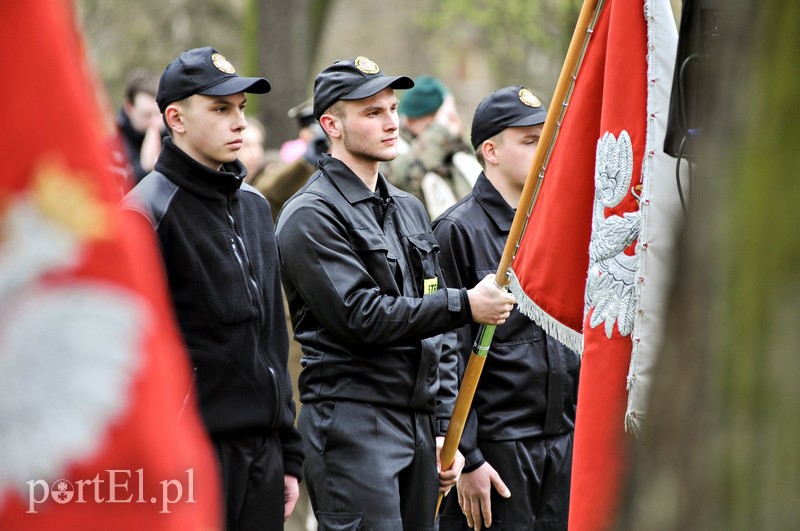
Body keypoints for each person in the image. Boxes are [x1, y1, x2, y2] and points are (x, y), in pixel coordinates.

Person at [275, 56, 517, 531]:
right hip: (353, 425)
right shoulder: (310, 214)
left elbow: (440, 336)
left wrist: (446, 428)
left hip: (417, 422)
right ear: (332, 125)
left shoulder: (406, 207)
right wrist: (465, 304)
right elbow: (361, 316)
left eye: (392, 109)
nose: (392, 122)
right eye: (372, 112)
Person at [121, 46, 303, 530]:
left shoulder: (256, 208)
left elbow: (272, 340)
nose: (239, 121)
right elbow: (134, 359)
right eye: (221, 108)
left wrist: (288, 453)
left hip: (264, 455)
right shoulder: (143, 215)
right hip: (188, 459)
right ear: (176, 118)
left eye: (241, 108)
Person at [433, 86, 580, 531]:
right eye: (529, 140)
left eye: (547, 137)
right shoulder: (456, 230)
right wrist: (470, 456)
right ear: (490, 150)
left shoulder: (557, 224)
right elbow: (447, 352)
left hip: (563, 440)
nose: (545, 148)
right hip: (499, 447)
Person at [381, 75, 480, 220]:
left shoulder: (452, 150)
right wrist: (438, 132)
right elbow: (400, 179)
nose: (448, 125)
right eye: (437, 120)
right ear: (410, 120)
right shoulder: (391, 146)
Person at [116, 68, 165, 187]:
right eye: (146, 115)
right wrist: (144, 171)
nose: (155, 123)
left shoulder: (177, 138)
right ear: (129, 108)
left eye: (159, 114)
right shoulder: (112, 147)